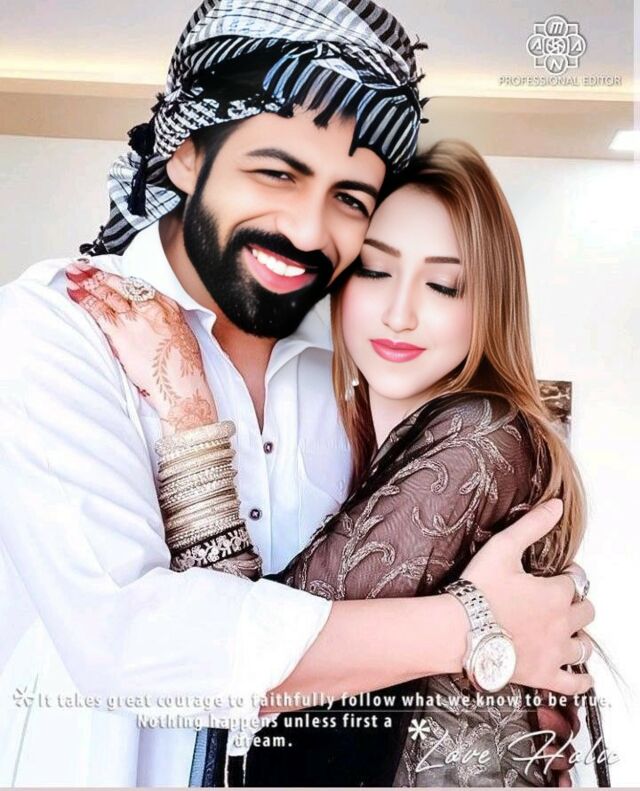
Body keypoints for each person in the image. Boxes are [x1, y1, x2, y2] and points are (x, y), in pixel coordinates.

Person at [0, 0, 593, 787]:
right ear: (186, 154)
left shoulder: (343, 371)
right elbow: (132, 647)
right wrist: (476, 627)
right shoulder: (59, 325)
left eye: (350, 198)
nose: (310, 232)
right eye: (277, 172)